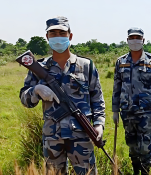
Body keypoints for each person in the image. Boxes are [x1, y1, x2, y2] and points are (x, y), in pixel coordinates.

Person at [19, 16, 105, 175]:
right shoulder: (39, 67)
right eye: (53, 33)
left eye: (62, 32)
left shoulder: (86, 66)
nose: (57, 36)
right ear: (47, 37)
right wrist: (36, 90)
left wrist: (99, 124)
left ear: (70, 36)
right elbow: (25, 99)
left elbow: (97, 99)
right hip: (52, 138)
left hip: (82, 136)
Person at [111, 27, 151, 175]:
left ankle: (146, 171)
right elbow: (116, 87)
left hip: (146, 112)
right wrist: (115, 110)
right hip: (127, 112)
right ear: (127, 40)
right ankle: (135, 171)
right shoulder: (120, 62)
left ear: (143, 40)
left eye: (138, 38)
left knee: (146, 147)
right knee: (132, 145)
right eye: (132, 38)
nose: (135, 40)